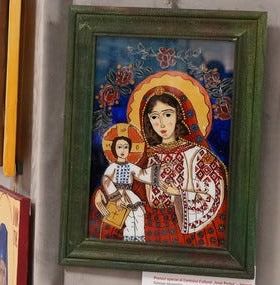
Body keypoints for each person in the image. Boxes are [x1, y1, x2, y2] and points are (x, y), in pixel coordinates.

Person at [137, 89, 226, 246]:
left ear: (178, 115)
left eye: (167, 114)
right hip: (151, 228)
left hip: (185, 229)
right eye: (154, 117)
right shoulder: (148, 156)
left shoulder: (198, 155)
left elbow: (214, 192)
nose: (162, 124)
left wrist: (179, 193)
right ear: (148, 120)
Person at [93, 129, 152, 242]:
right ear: (114, 149)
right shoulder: (112, 167)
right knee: (125, 218)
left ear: (129, 150)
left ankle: (139, 239)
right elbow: (106, 181)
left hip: (130, 195)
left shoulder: (131, 166)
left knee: (138, 213)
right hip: (117, 196)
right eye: (119, 147)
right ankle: (129, 240)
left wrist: (158, 170)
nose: (122, 150)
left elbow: (143, 174)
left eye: (125, 147)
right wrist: (116, 198)